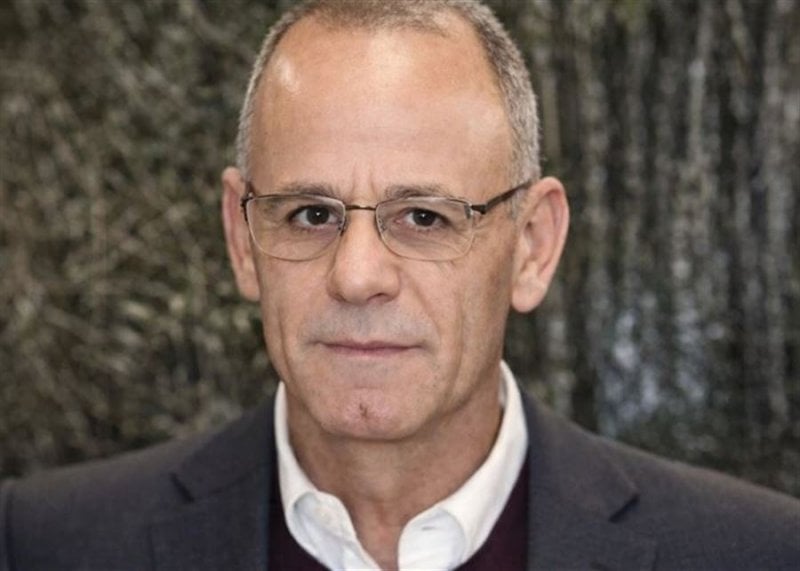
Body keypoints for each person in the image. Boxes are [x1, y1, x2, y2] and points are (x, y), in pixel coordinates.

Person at [1, 1, 799, 569]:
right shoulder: (47, 544)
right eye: (310, 213)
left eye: (424, 217)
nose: (357, 275)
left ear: (532, 246)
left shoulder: (755, 552)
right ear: (242, 239)